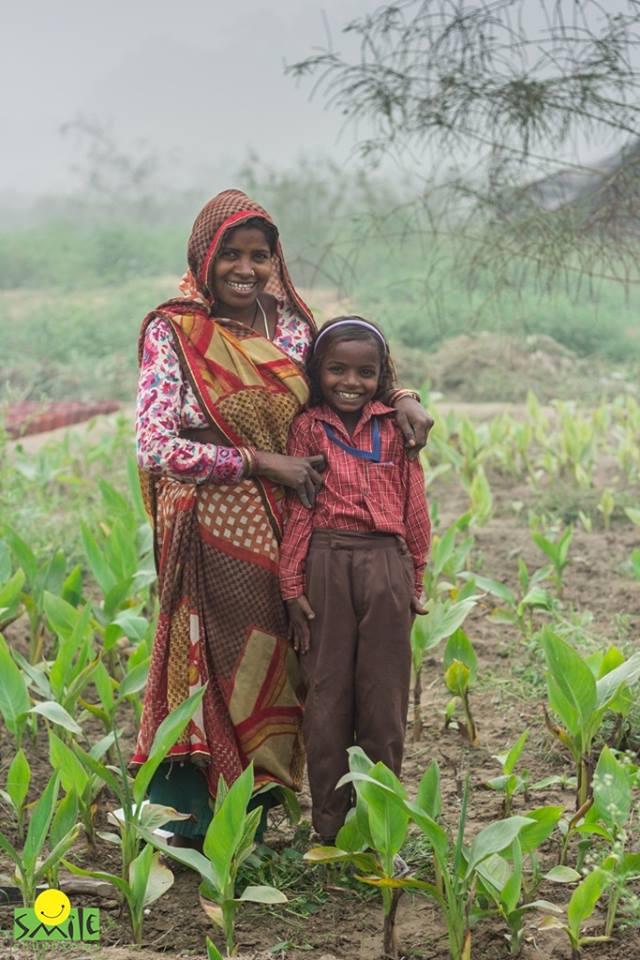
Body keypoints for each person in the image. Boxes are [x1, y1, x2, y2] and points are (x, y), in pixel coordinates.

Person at [131, 189, 432, 848]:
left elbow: (350, 374)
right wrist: (260, 463)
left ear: (275, 260)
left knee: (282, 666)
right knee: (217, 668)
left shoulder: (293, 325)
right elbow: (155, 446)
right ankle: (197, 824)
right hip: (211, 527)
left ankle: (263, 811)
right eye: (231, 255)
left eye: (259, 256)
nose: (246, 269)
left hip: (296, 526)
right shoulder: (174, 331)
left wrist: (404, 396)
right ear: (204, 256)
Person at [279, 317, 431, 842]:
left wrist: (415, 577)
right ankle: (330, 827)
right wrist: (291, 585)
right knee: (326, 696)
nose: (351, 381)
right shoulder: (306, 427)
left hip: (386, 563)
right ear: (317, 372)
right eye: (337, 370)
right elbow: (300, 508)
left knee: (384, 700)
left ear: (381, 375)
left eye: (365, 372)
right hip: (325, 563)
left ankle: (377, 828)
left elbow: (414, 505)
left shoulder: (396, 426)